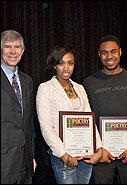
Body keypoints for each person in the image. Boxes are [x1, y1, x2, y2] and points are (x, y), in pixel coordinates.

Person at [83, 35, 127, 184]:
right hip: (102, 156)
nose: (109, 56)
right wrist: (99, 150)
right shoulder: (89, 83)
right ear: (99, 55)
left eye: (113, 51)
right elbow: (87, 121)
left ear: (120, 52)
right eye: (104, 53)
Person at [36, 45, 103, 184]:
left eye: (70, 63)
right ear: (54, 65)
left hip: (86, 155)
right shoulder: (46, 88)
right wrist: (64, 156)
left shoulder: (80, 88)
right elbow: (46, 127)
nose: (66, 68)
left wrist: (100, 148)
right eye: (61, 63)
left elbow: (90, 120)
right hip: (63, 157)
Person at [1, 30, 37, 184]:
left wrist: (32, 156)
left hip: (25, 162)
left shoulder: (27, 81)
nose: (13, 52)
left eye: (17, 47)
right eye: (8, 47)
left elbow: (29, 124)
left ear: (22, 51)